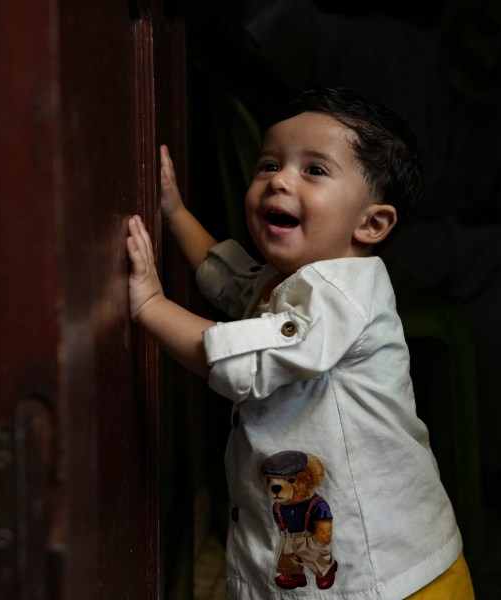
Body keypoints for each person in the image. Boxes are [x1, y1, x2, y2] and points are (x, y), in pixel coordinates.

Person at [213, 0, 501, 528]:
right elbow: (270, 21)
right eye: (485, 27)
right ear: (455, 14)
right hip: (367, 246)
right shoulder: (384, 48)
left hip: (444, 243)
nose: (491, 53)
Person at [126, 86, 475, 599]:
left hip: (388, 575)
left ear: (371, 223)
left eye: (314, 170)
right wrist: (175, 213)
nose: (279, 181)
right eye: (268, 165)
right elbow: (229, 278)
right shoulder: (287, 280)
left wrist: (151, 307)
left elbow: (248, 360)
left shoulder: (343, 294)